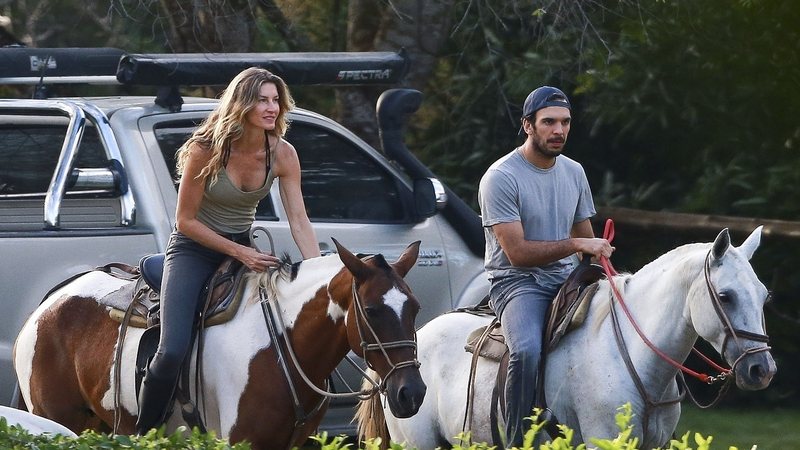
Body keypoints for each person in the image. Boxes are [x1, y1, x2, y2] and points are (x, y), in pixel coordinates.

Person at [135, 67, 321, 434]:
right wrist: (240, 254)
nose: (272, 108)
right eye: (262, 100)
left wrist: (318, 273)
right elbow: (185, 221)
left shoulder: (283, 154)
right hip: (193, 249)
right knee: (172, 350)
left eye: (276, 101)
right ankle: (143, 432)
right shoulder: (205, 150)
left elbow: (299, 220)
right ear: (242, 104)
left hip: (243, 246)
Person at [477, 86, 614, 447]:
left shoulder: (574, 172)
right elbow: (518, 254)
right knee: (526, 349)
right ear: (528, 126)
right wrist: (575, 244)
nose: (559, 131)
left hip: (566, 278)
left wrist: (600, 266)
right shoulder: (500, 177)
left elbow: (586, 241)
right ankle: (518, 440)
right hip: (516, 283)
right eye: (549, 122)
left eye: (565, 123)